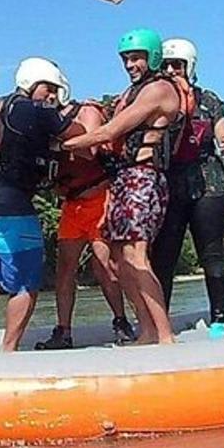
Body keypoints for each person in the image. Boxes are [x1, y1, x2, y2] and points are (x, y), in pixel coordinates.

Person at [61, 29, 192, 346]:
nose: (130, 64)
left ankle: (164, 335)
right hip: (123, 179)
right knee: (118, 260)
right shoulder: (132, 91)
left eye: (136, 58)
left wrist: (60, 144)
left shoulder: (159, 89)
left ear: (153, 57)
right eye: (126, 59)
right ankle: (147, 329)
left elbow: (109, 132)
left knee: (136, 255)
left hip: (143, 177)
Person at [0, 58, 83, 352]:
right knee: (26, 281)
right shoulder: (35, 109)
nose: (52, 95)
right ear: (34, 83)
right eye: (49, 88)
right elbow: (78, 134)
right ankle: (10, 349)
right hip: (9, 200)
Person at [150, 38, 224, 337]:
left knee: (210, 253)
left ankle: (219, 318)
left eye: (178, 65)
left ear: (190, 66)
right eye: (166, 65)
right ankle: (160, 322)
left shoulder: (209, 100)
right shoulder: (155, 99)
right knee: (164, 255)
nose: (172, 70)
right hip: (171, 182)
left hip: (207, 180)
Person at [35, 99, 136, 349]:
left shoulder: (86, 112)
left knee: (104, 264)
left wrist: (57, 143)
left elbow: (90, 149)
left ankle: (121, 321)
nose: (47, 100)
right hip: (71, 204)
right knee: (65, 270)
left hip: (99, 197)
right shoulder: (45, 123)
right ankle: (63, 330)